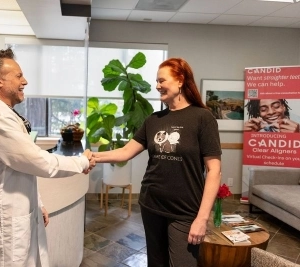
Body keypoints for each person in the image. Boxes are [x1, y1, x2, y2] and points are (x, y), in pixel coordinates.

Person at [0, 48, 95, 267]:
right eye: (18, 75)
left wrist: (37, 202)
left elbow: (19, 166)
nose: (24, 81)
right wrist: (81, 161)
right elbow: (37, 161)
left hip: (11, 221)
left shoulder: (3, 114)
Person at [93, 58, 222, 266]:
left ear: (180, 80)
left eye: (162, 80)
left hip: (185, 210)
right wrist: (93, 157)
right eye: (156, 81)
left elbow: (214, 170)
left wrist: (202, 218)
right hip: (151, 205)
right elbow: (126, 152)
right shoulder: (154, 119)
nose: (157, 86)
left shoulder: (202, 118)